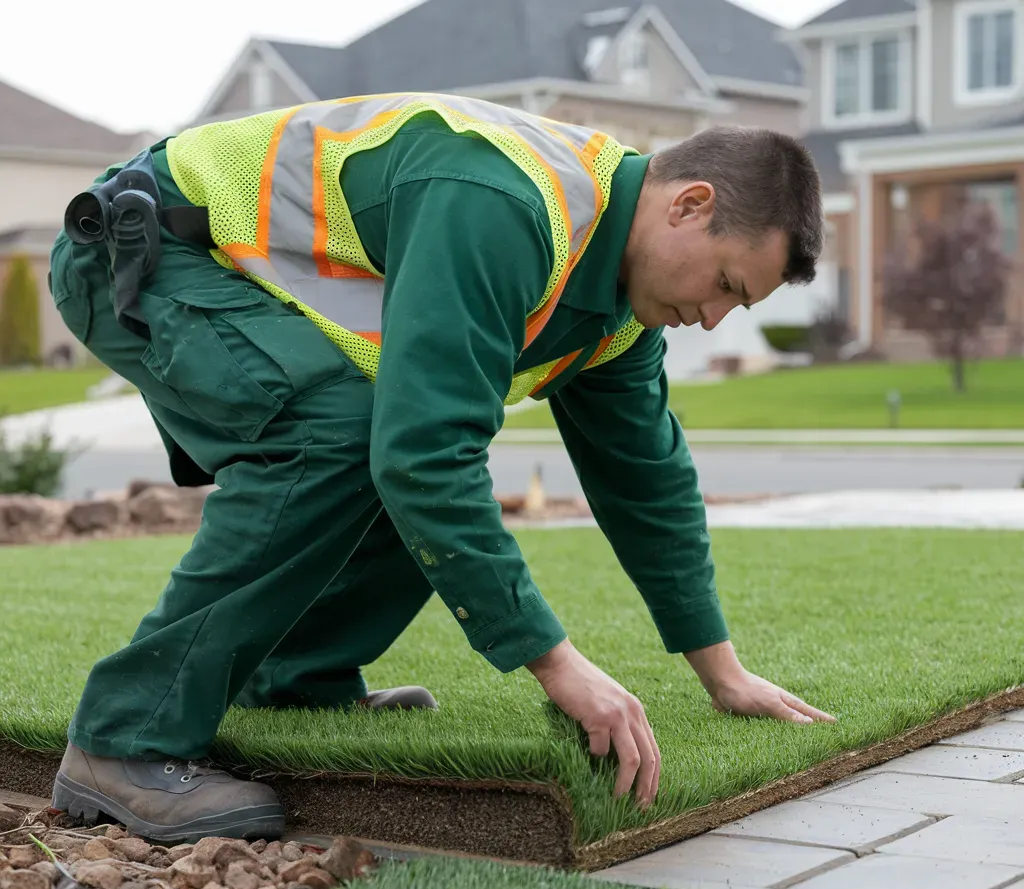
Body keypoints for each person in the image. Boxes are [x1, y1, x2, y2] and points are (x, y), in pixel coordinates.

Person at [47, 93, 835, 842]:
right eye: (725, 283)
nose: (711, 317)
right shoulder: (507, 206)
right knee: (351, 436)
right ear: (688, 204)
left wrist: (721, 668)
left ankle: (298, 676)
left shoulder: (620, 312)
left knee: (395, 439)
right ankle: (123, 740)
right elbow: (423, 455)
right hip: (146, 248)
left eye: (739, 305)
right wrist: (556, 664)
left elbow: (647, 481)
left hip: (213, 272)